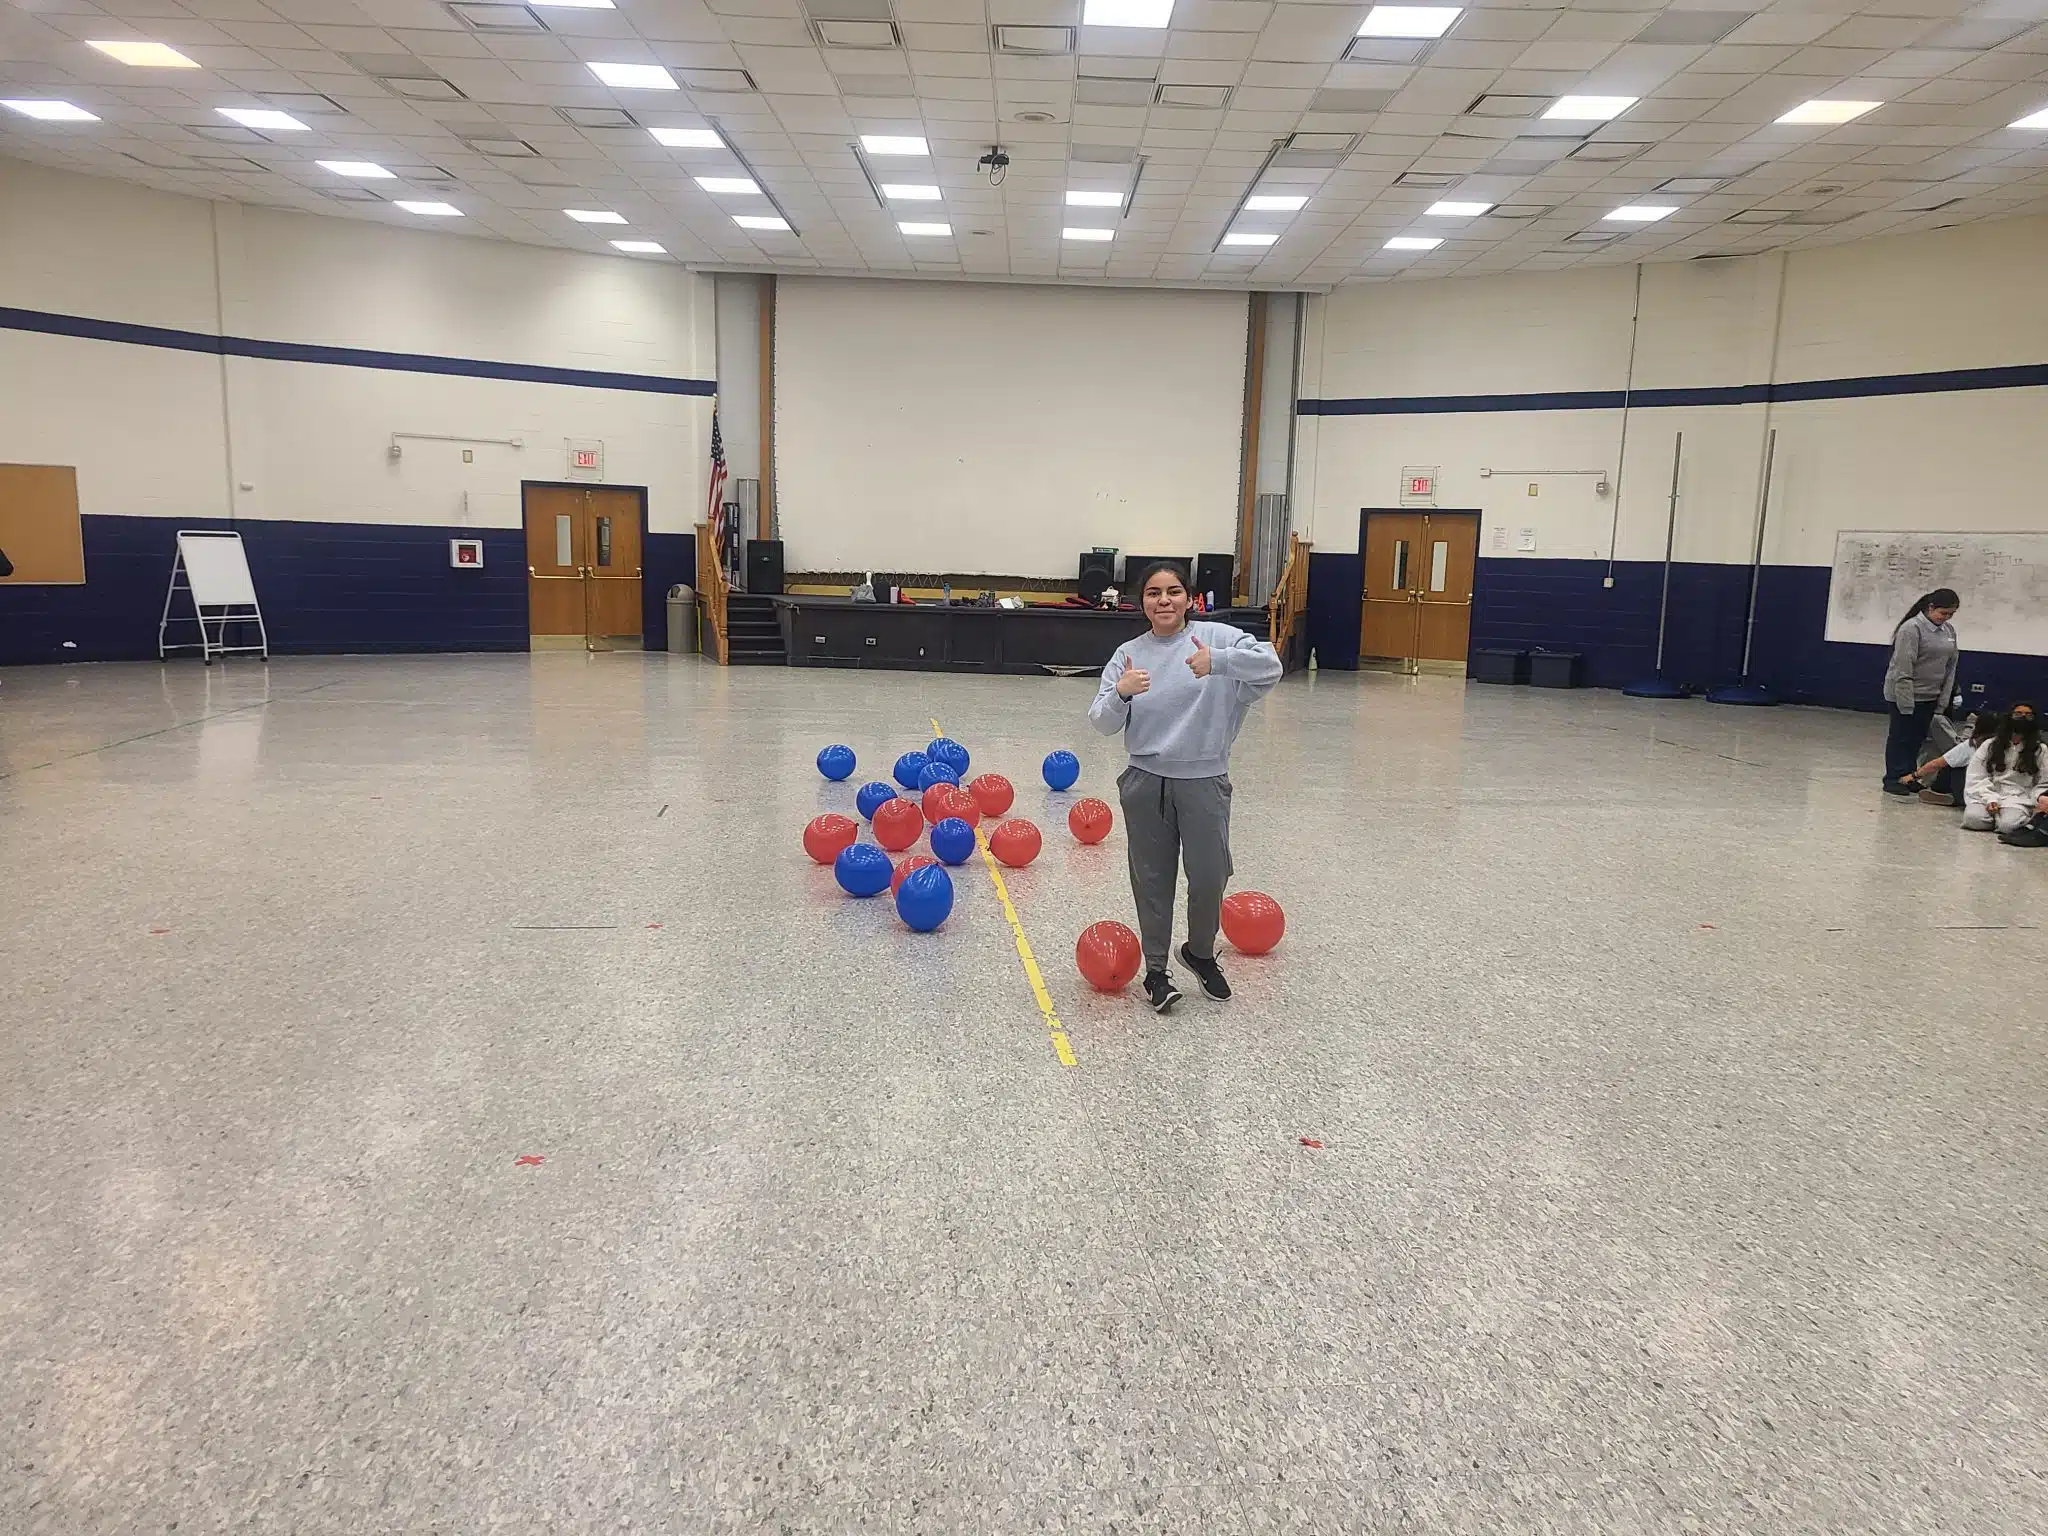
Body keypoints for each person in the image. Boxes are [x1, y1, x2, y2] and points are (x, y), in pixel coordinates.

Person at [1088, 560, 1281, 1013]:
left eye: (1173, 591)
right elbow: (1100, 722)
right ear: (1142, 602)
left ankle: (1200, 952)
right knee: (1153, 880)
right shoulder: (1128, 654)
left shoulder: (1218, 638)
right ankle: (1156, 970)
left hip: (1204, 780)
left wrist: (1220, 662)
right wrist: (1121, 692)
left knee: (1211, 875)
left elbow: (1270, 666)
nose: (1164, 601)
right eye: (1153, 593)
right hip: (1146, 781)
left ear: (1189, 598)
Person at [1881, 588, 1960, 796]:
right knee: (1901, 738)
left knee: (1917, 739)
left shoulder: (1949, 631)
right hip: (1905, 694)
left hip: (1930, 695)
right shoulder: (1911, 628)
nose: (1946, 618)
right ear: (1930, 607)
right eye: (1943, 613)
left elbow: (1951, 666)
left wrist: (1943, 699)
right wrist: (1906, 704)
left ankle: (1909, 776)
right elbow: (1903, 668)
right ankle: (1893, 778)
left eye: (1951, 614)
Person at [1961, 702, 2046, 838]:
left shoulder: (2041, 750)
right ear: (2009, 717)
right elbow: (1977, 776)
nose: (2023, 718)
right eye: (2018, 714)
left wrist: (2039, 799)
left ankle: (2003, 820)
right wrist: (1990, 799)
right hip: (1987, 794)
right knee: (1972, 819)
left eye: (2028, 715)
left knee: (2009, 826)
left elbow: (2042, 783)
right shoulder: (1990, 745)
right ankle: (1997, 819)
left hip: (2019, 798)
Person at [1911, 706, 2000, 807]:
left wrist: (1913, 776)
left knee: (1951, 763)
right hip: (1995, 790)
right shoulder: (2006, 746)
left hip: (1967, 790)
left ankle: (1949, 794)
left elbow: (1936, 764)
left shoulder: (1971, 745)